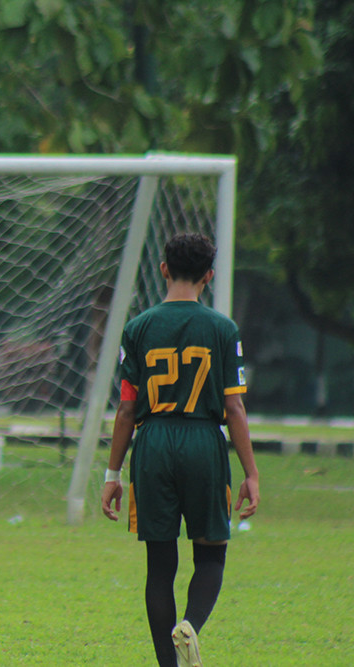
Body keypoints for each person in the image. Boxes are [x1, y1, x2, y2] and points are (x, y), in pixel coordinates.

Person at [100, 232, 260, 667]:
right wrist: (251, 472)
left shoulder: (137, 329)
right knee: (211, 555)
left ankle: (168, 665)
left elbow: (126, 410)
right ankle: (189, 625)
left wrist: (113, 476)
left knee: (159, 566)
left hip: (152, 446)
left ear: (163, 268)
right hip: (203, 442)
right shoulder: (223, 330)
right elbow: (234, 406)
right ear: (209, 275)